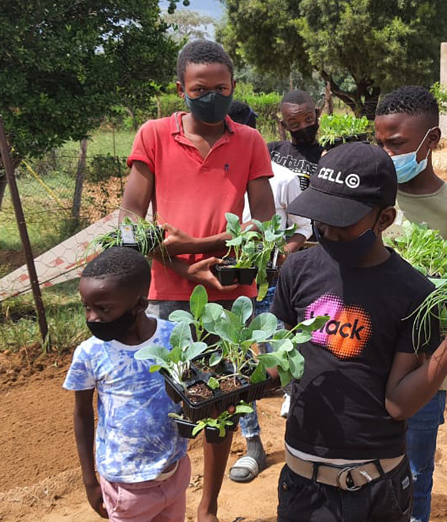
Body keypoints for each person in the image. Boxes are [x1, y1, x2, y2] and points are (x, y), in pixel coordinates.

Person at [271, 142, 447, 522]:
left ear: (384, 219)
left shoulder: (413, 292)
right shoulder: (298, 271)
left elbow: (399, 404)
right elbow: (280, 363)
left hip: (375, 487)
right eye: (321, 220)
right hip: (302, 483)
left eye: (343, 222)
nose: (328, 232)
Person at [118, 39, 275, 522]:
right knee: (164, 403)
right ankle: (164, 503)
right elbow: (129, 220)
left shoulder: (249, 141)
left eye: (221, 88)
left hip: (228, 295)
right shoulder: (153, 136)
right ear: (181, 89)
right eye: (200, 89)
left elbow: (266, 223)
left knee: (221, 399)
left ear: (233, 87)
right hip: (165, 295)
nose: (211, 97)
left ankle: (207, 508)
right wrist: (186, 266)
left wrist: (217, 249)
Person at [373, 85, 447, 522]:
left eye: (396, 143)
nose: (386, 153)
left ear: (431, 140)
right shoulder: (372, 195)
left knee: (416, 474)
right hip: (366, 357)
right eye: (380, 143)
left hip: (424, 374)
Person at [64, 247, 189, 522]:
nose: (92, 318)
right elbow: (82, 415)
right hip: (125, 487)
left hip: (174, 471)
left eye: (103, 309)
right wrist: (89, 482)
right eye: (86, 307)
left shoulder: (174, 337)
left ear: (140, 305)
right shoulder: (90, 353)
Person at [229, 93, 316, 484]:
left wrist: (282, 253)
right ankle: (253, 446)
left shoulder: (282, 179)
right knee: (236, 368)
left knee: (283, 361)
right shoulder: (215, 182)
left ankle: (299, 444)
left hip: (272, 288)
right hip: (222, 289)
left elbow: (303, 227)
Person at [270, 89, 325, 190]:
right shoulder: (272, 150)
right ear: (285, 125)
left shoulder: (327, 155)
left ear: (317, 114)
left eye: (308, 119)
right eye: (294, 124)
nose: (303, 127)